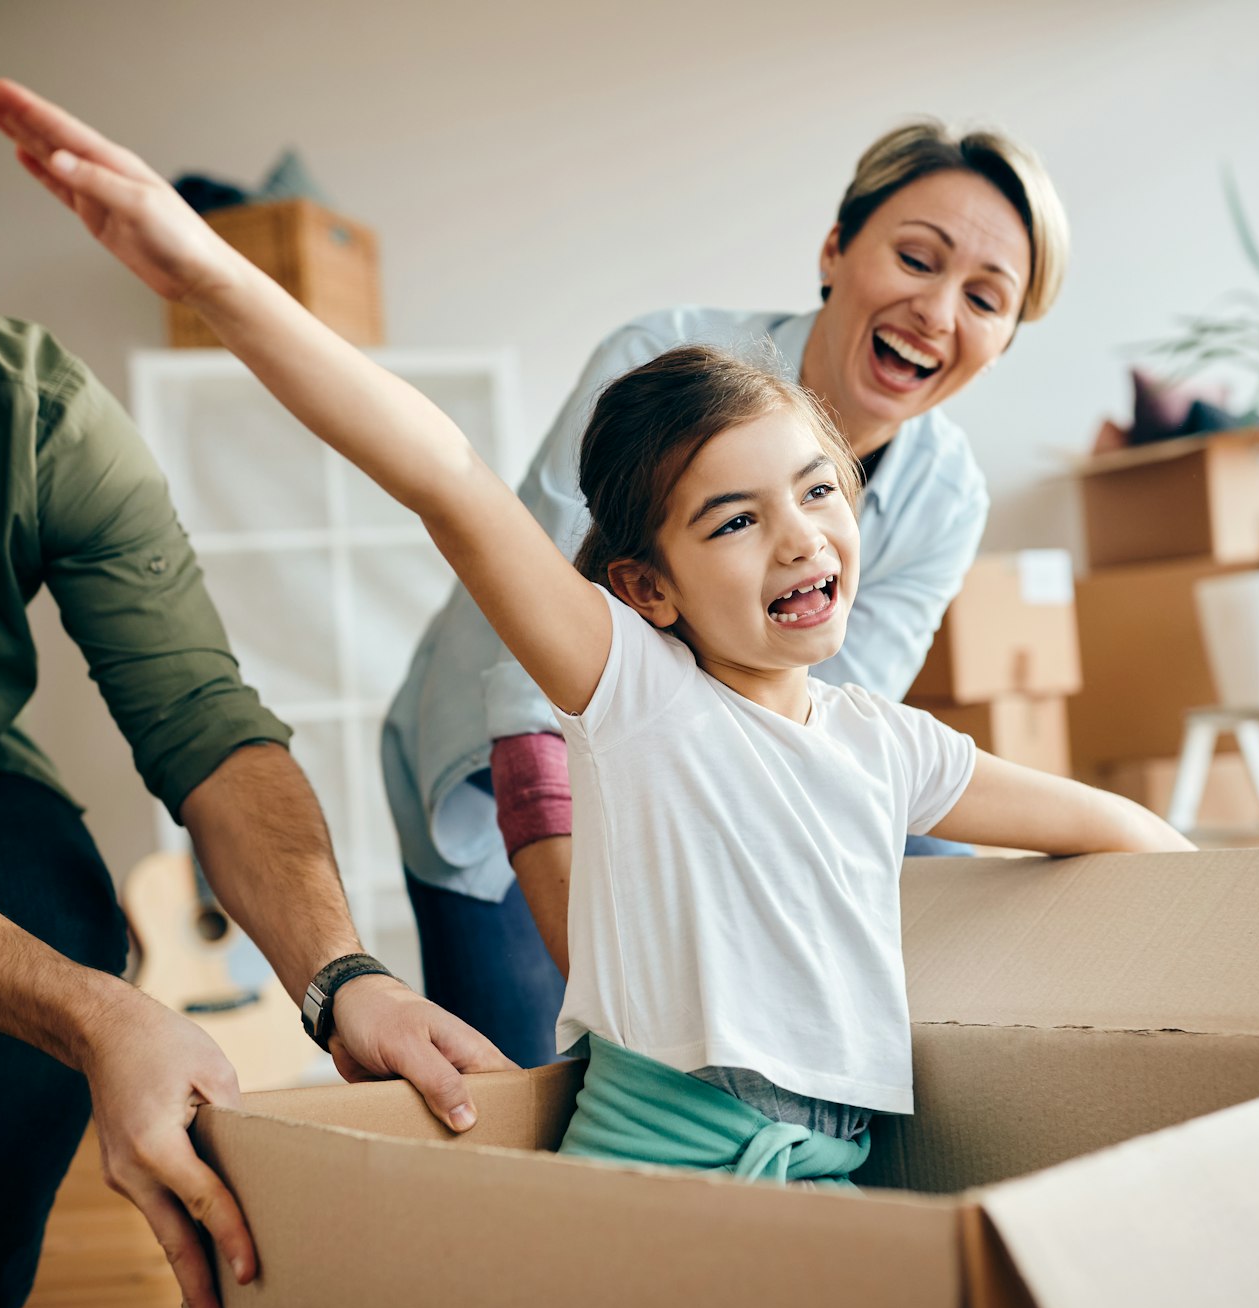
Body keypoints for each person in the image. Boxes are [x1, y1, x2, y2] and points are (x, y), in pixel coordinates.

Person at [0, 76, 1193, 1188]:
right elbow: (446, 480)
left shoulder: (883, 737)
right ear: (642, 588)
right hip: (657, 1152)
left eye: (821, 494)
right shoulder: (636, 689)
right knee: (503, 1109)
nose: (799, 539)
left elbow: (1106, 825)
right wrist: (213, 276)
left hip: (828, 1169)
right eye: (733, 519)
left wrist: (1233, 919)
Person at [0, 45, 508, 1308]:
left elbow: (201, 717)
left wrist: (346, 977)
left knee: (60, 903)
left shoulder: (31, 404)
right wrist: (104, 1019)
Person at [384, 118, 1074, 1068]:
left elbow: (820, 731)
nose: (937, 312)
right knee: (527, 1092)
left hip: (700, 775)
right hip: (507, 760)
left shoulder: (947, 497)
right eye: (917, 258)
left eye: (987, 300)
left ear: (1001, 342)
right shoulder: (656, 359)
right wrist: (612, 982)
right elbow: (529, 666)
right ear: (836, 249)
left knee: (935, 872)